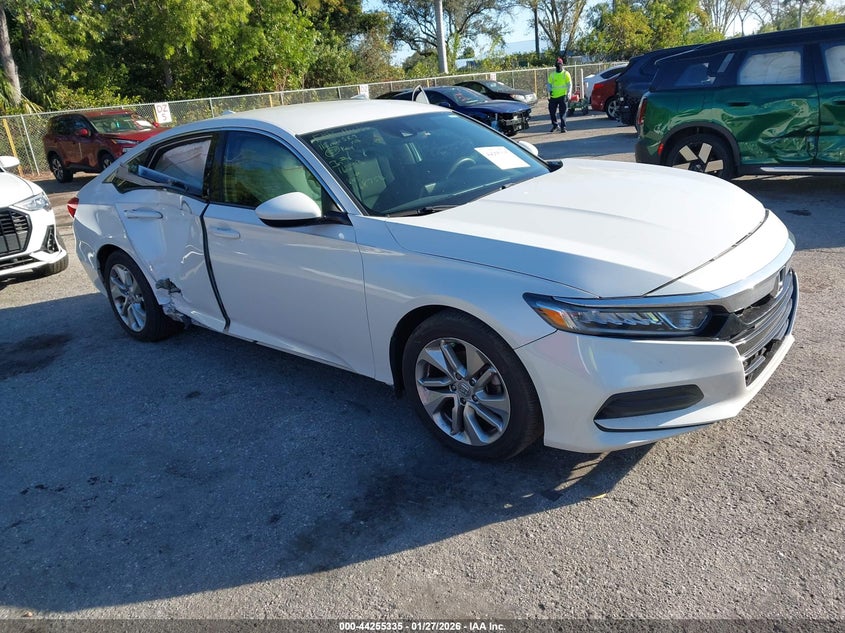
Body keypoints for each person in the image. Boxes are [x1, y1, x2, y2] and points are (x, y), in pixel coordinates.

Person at [547, 57, 573, 133]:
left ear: (562, 65)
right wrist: (549, 91)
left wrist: (569, 94)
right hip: (553, 96)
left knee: (563, 112)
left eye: (559, 64)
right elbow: (549, 84)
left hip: (563, 96)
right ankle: (555, 126)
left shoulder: (566, 74)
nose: (558, 66)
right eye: (557, 65)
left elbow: (569, 85)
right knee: (552, 112)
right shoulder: (552, 75)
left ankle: (563, 127)